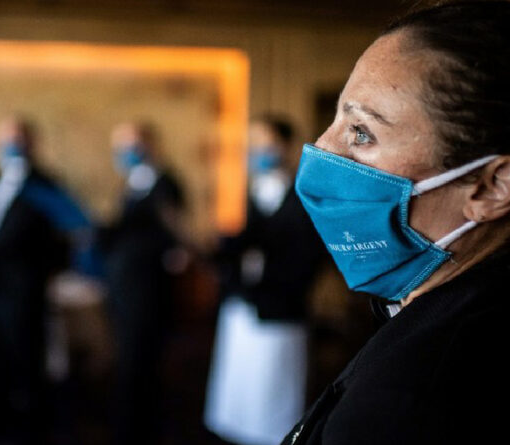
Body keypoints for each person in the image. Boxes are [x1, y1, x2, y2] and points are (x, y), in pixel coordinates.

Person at [283, 2, 510, 444]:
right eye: (336, 120)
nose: (320, 150)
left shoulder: (405, 407)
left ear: (491, 187)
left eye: (362, 133)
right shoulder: (428, 307)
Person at [204, 115, 325, 445]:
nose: (255, 151)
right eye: (251, 144)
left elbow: (308, 259)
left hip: (278, 311)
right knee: (236, 396)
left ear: (284, 147)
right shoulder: (245, 195)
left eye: (264, 143)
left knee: (273, 400)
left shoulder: (305, 198)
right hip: (238, 306)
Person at [0, 116, 69, 436]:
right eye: (4, 139)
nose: (10, 146)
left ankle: (31, 423)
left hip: (25, 287)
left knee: (28, 358)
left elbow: (53, 236)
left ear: (32, 143)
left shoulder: (46, 184)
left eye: (16, 139)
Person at [99, 121, 186, 445]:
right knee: (128, 360)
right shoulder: (131, 184)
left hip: (148, 292)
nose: (125, 153)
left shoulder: (166, 184)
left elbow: (172, 236)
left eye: (131, 145)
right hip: (124, 287)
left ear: (150, 144)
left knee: (142, 362)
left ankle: (140, 430)